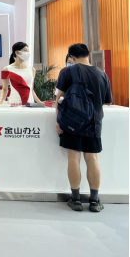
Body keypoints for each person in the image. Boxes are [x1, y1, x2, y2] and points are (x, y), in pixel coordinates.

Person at [56, 43, 113, 213]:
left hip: (72, 122)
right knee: (92, 158)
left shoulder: (67, 72)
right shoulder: (102, 74)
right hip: (94, 122)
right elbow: (107, 101)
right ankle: (94, 201)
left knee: (73, 158)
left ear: (71, 57)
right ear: (88, 54)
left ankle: (76, 200)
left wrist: (58, 121)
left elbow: (59, 99)